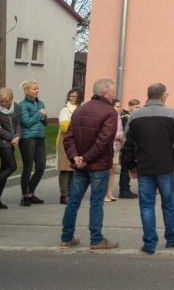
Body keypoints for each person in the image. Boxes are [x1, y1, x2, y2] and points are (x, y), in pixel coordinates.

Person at [121, 82, 174, 254]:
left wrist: (130, 166)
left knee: (146, 205)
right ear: (162, 96)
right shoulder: (171, 114)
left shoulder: (135, 117)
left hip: (144, 167)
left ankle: (150, 243)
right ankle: (172, 238)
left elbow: (127, 144)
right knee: (168, 204)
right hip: (165, 167)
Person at [60, 78, 120, 251]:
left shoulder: (79, 110)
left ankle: (66, 237)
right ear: (104, 93)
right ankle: (96, 239)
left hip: (81, 165)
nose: (114, 95)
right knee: (96, 203)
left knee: (74, 202)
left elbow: (68, 137)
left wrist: (75, 157)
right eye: (112, 92)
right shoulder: (110, 112)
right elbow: (104, 141)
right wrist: (85, 158)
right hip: (98, 165)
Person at [18, 79, 48, 206]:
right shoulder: (22, 105)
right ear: (26, 91)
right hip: (28, 139)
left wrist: (44, 116)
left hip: (40, 138)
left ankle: (31, 193)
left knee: (41, 167)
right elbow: (26, 122)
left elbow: (45, 123)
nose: (37, 91)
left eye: (37, 88)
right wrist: (39, 114)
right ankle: (24, 196)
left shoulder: (40, 103)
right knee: (28, 167)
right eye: (34, 89)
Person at [0, 87, 20, 209]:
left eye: (6, 101)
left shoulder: (15, 106)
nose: (3, 104)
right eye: (1, 101)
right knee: (12, 166)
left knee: (4, 168)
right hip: (1, 141)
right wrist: (11, 138)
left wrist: (18, 136)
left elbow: (18, 123)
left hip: (12, 141)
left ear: (10, 100)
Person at [57, 88, 83, 205]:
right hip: (65, 141)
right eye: (70, 96)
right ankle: (64, 195)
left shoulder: (81, 109)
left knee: (74, 168)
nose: (71, 98)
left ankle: (71, 193)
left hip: (78, 141)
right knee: (65, 168)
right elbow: (64, 127)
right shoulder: (65, 110)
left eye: (74, 96)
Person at [118, 98, 141, 199]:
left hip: (134, 146)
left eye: (139, 107)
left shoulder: (136, 117)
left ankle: (126, 188)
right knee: (125, 168)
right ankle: (124, 190)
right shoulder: (125, 118)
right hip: (127, 147)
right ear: (130, 107)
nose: (138, 109)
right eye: (136, 107)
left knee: (132, 168)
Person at [104, 99, 124, 202]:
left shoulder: (119, 117)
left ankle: (109, 192)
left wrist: (122, 135)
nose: (119, 108)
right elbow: (106, 132)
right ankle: (103, 194)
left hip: (117, 146)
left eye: (119, 106)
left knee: (113, 169)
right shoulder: (107, 116)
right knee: (106, 170)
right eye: (117, 106)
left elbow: (120, 130)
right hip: (108, 146)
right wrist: (119, 135)